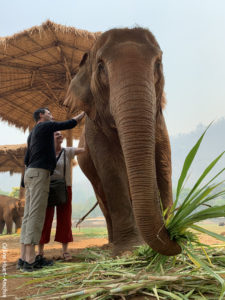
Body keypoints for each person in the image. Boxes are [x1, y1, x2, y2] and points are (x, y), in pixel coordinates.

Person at [17, 108, 85, 272]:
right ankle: (32, 260)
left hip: (31, 174)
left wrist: (26, 182)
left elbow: (27, 160)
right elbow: (70, 123)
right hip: (40, 174)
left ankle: (24, 258)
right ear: (41, 115)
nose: (51, 115)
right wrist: (83, 114)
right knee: (36, 216)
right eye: (48, 113)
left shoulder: (33, 134)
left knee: (28, 216)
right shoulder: (44, 126)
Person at [38, 131, 85, 261]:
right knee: (45, 219)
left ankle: (65, 251)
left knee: (65, 218)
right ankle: (40, 252)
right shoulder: (44, 153)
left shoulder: (68, 151)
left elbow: (84, 149)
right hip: (46, 188)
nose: (60, 136)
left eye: (60, 134)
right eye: (56, 134)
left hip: (65, 188)